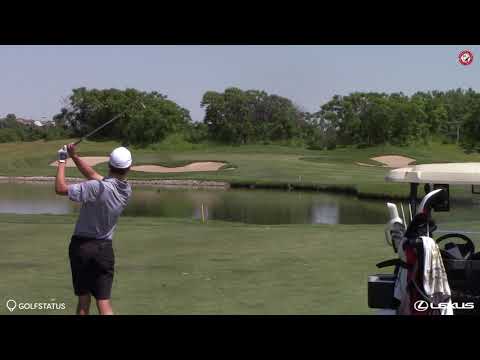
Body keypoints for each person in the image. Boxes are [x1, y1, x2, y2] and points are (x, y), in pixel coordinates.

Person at [55, 143, 132, 315]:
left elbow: (60, 188)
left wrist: (62, 161)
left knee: (83, 301)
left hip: (82, 247)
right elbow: (92, 175)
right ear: (129, 168)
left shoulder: (95, 187)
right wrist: (74, 156)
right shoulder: (126, 189)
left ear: (109, 164)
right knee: (104, 303)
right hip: (104, 250)